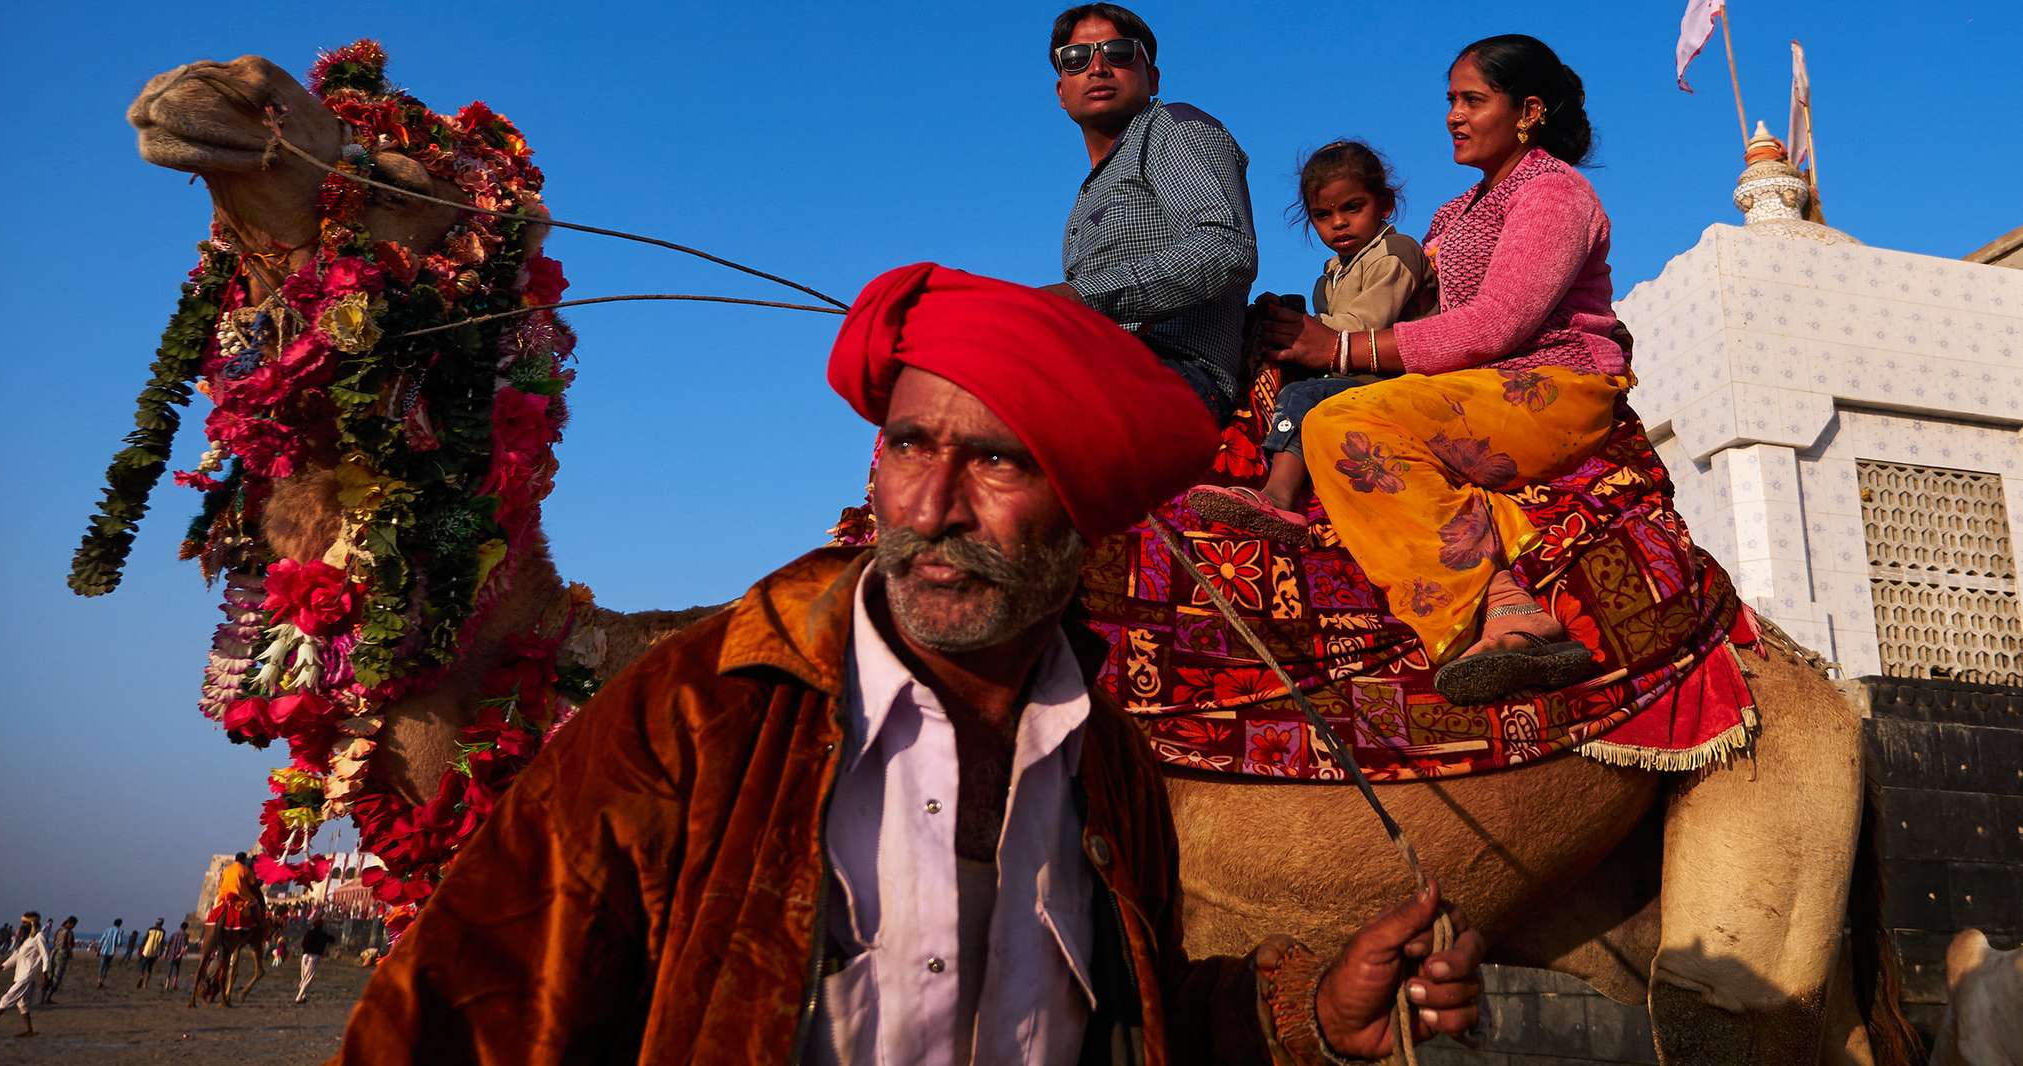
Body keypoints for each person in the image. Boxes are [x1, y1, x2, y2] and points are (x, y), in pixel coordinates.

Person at [333, 263, 1484, 1063]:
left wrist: (1316, 1013)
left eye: (998, 462)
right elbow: (469, 1009)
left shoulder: (1109, 765)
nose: (931, 506)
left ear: (1082, 513)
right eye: (908, 446)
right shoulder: (701, 713)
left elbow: (1137, 1018)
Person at [1254, 34, 1626, 704]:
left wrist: (1337, 351)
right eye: (1451, 100)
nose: (1453, 115)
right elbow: (1428, 319)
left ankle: (1501, 602)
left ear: (1528, 110)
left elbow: (1497, 324)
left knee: (1340, 422)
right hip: (1473, 386)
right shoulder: (1455, 214)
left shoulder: (1552, 194)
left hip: (1554, 382)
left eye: (1472, 100)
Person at [1189, 141, 1436, 543]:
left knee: (1303, 395)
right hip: (1358, 373)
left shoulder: (1396, 253)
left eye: (1352, 208)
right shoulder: (1332, 273)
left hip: (1397, 375)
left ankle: (1279, 495)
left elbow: (1363, 326)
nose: (1338, 223)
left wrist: (1302, 327)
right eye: (1323, 215)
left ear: (1385, 204)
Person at [1044, 4, 1258, 422]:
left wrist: (1080, 297)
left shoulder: (1173, 127)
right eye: (1076, 59)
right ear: (1062, 93)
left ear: (1153, 77)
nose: (1098, 67)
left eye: (1119, 52)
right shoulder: (1087, 194)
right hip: (1103, 363)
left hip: (1177, 372)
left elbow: (1225, 250)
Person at [0, 912, 48, 1038]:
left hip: (27, 976)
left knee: (6, 999)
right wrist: (2, 967)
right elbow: (16, 956)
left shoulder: (39, 937)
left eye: (24, 923)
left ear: (31, 923)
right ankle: (30, 1031)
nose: (21, 925)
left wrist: (45, 973)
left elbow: (45, 955)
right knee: (22, 1004)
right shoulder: (27, 939)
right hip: (21, 975)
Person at [39, 917, 76, 1004]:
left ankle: (42, 998)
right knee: (57, 977)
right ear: (70, 923)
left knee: (49, 975)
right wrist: (70, 954)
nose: (74, 926)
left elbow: (55, 940)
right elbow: (69, 944)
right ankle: (48, 998)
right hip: (62, 954)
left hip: (53, 952)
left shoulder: (59, 930)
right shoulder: (69, 932)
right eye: (74, 924)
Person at [295, 922, 333, 1004]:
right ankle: (299, 996)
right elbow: (332, 939)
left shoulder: (309, 933)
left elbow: (303, 944)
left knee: (304, 976)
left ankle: (303, 996)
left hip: (305, 955)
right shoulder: (322, 934)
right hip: (314, 956)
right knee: (308, 978)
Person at [136, 918, 166, 988]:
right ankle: (145, 984)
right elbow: (162, 942)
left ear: (156, 923)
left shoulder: (150, 929)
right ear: (162, 924)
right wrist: (161, 952)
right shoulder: (163, 932)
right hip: (155, 951)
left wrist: (141, 946)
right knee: (150, 967)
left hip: (146, 950)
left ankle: (141, 976)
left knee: (143, 965)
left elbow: (145, 938)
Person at [161, 920, 189, 991]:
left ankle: (166, 985)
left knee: (169, 969)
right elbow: (184, 946)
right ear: (186, 928)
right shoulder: (185, 935)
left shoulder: (174, 934)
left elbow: (168, 945)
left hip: (171, 954)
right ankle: (174, 985)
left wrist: (164, 954)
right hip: (178, 956)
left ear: (180, 927)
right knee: (176, 970)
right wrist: (180, 954)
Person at [94, 918, 122, 988]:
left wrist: (98, 949)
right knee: (107, 966)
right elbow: (119, 943)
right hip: (111, 951)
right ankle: (102, 981)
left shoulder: (107, 929)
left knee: (101, 965)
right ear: (120, 924)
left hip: (104, 949)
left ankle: (99, 980)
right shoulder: (119, 931)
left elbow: (102, 939)